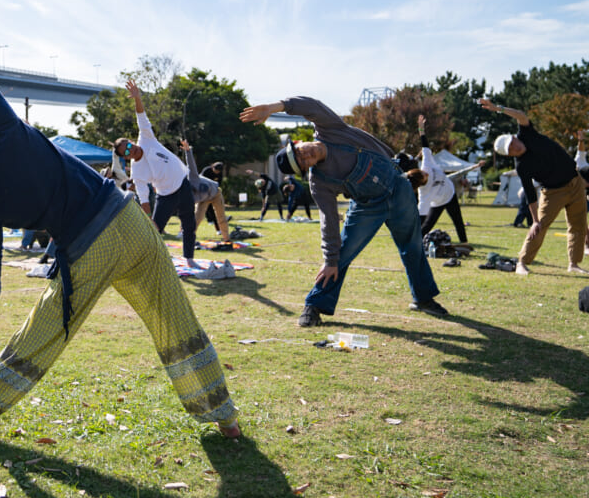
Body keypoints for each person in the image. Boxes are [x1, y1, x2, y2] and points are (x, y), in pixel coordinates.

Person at [0, 0, 239, 440]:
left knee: (38, 341)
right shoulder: (7, 131)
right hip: (131, 222)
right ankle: (225, 418)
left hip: (89, 249)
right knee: (177, 324)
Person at [240, 98, 448, 327]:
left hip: (400, 189)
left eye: (300, 152)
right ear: (306, 170)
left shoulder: (330, 129)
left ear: (299, 142)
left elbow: (311, 106)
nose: (306, 156)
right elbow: (328, 220)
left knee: (413, 246)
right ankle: (315, 305)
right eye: (303, 163)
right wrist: (329, 259)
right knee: (341, 253)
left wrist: (273, 108)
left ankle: (424, 299)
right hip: (368, 206)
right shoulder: (319, 182)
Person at [480, 99, 588, 275]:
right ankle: (522, 262)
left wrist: (498, 109)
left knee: (578, 226)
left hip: (575, 183)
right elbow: (530, 193)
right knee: (540, 228)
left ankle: (574, 264)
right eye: (511, 150)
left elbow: (521, 116)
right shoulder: (521, 166)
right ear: (509, 155)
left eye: (513, 143)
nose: (515, 148)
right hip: (553, 192)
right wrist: (535, 221)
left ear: (514, 137)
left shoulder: (527, 134)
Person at [113, 79, 200, 266]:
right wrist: (149, 220)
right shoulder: (137, 172)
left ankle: (189, 259)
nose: (130, 150)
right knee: (154, 229)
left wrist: (137, 97)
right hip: (165, 195)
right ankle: (147, 261)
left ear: (131, 141)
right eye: (125, 152)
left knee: (189, 224)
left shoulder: (146, 137)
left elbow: (141, 115)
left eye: (129, 145)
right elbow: (144, 198)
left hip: (182, 183)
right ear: (125, 158)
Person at [413, 114, 483, 245]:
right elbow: (421, 217)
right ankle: (415, 243)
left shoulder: (426, 165)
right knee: (427, 225)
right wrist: (411, 232)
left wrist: (421, 129)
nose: (426, 174)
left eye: (423, 172)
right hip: (438, 203)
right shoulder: (424, 194)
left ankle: (464, 243)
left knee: (458, 220)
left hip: (450, 194)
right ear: (421, 183)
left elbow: (425, 146)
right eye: (424, 176)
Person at [178, 140, 231, 242]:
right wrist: (182, 228)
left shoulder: (193, 178)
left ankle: (226, 238)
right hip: (204, 200)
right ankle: (189, 238)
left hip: (216, 194)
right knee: (197, 219)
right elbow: (186, 212)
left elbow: (191, 164)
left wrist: (188, 150)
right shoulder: (188, 197)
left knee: (221, 217)